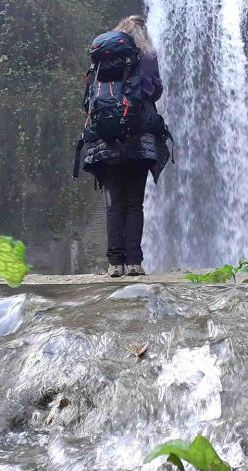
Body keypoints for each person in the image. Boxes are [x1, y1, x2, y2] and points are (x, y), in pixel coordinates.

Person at [82, 15, 170, 278]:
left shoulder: (102, 57)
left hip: (106, 141)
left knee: (113, 204)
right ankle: (134, 263)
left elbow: (87, 99)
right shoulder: (147, 55)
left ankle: (114, 264)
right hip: (139, 140)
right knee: (134, 203)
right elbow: (155, 91)